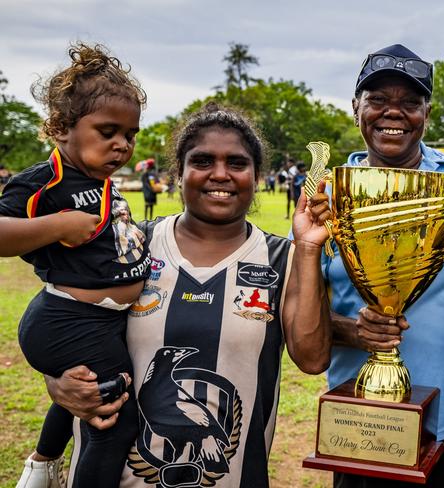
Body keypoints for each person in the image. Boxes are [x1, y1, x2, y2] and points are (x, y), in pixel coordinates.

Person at [43, 103, 333, 487]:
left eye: (236, 163)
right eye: (201, 161)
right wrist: (58, 384)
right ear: (178, 173)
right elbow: (60, 327)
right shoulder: (128, 244)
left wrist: (310, 249)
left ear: (256, 176)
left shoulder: (284, 258)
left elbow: (313, 359)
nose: (220, 174)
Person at [310, 44, 444, 488]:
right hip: (361, 423)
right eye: (379, 100)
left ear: (427, 113)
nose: (394, 113)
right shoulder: (326, 194)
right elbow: (299, 319)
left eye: (410, 102)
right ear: (356, 108)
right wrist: (353, 329)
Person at [0, 43, 149, 488]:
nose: (121, 144)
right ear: (63, 127)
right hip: (68, 319)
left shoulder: (101, 181)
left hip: (101, 320)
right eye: (107, 131)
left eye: (130, 134)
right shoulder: (43, 181)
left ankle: (42, 465)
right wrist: (55, 224)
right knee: (112, 417)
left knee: (79, 393)